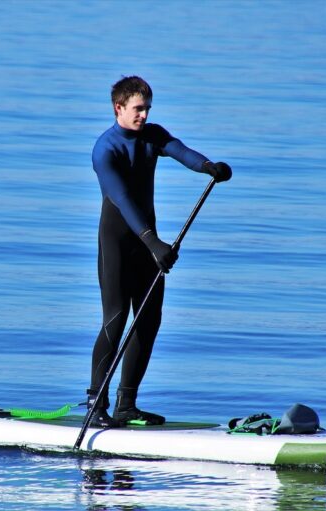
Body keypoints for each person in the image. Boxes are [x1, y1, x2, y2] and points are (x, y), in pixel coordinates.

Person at [87, 76, 232, 427]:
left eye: (148, 108)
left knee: (149, 319)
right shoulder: (105, 150)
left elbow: (179, 150)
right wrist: (153, 242)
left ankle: (126, 405)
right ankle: (96, 404)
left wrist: (209, 167)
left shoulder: (152, 135)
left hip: (148, 242)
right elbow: (120, 199)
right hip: (119, 243)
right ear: (118, 108)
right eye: (138, 108)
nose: (144, 114)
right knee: (116, 319)